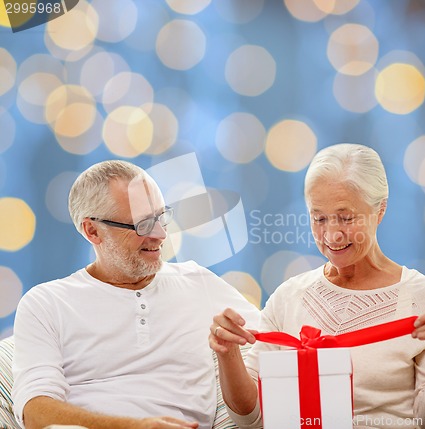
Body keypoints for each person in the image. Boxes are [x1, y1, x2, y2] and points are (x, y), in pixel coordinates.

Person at [209, 144, 425, 429]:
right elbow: (252, 420)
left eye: (346, 218)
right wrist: (228, 353)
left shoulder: (423, 298)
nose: (331, 235)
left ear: (379, 210)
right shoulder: (288, 298)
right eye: (318, 218)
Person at [12, 160, 260, 429]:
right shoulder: (46, 304)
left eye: (161, 217)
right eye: (143, 224)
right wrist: (134, 427)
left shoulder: (198, 283)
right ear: (92, 230)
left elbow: (281, 342)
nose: (161, 234)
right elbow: (35, 413)